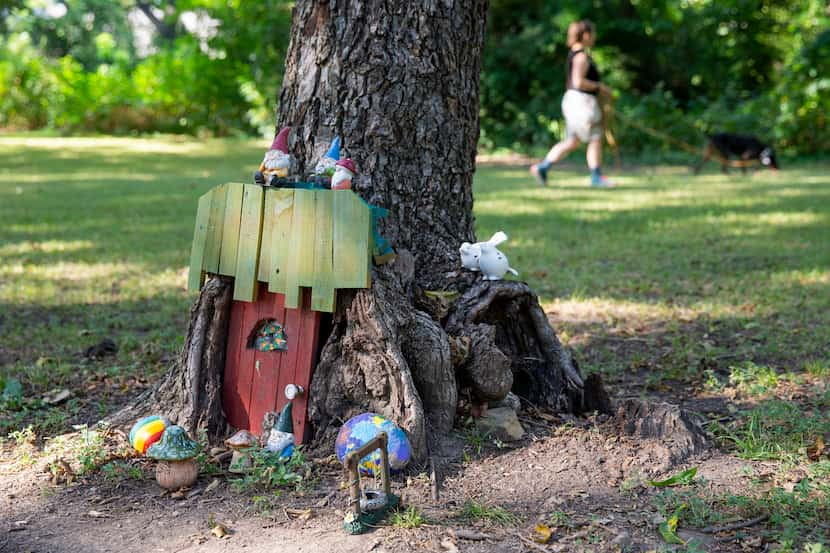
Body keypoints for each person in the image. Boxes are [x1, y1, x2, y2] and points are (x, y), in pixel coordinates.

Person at [530, 20, 615, 187]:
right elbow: (578, 82)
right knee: (595, 137)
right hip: (582, 102)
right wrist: (600, 87)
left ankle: (543, 167)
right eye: (593, 33)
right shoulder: (582, 56)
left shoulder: (574, 54)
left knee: (573, 141)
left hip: (574, 101)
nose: (594, 37)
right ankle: (596, 177)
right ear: (585, 35)